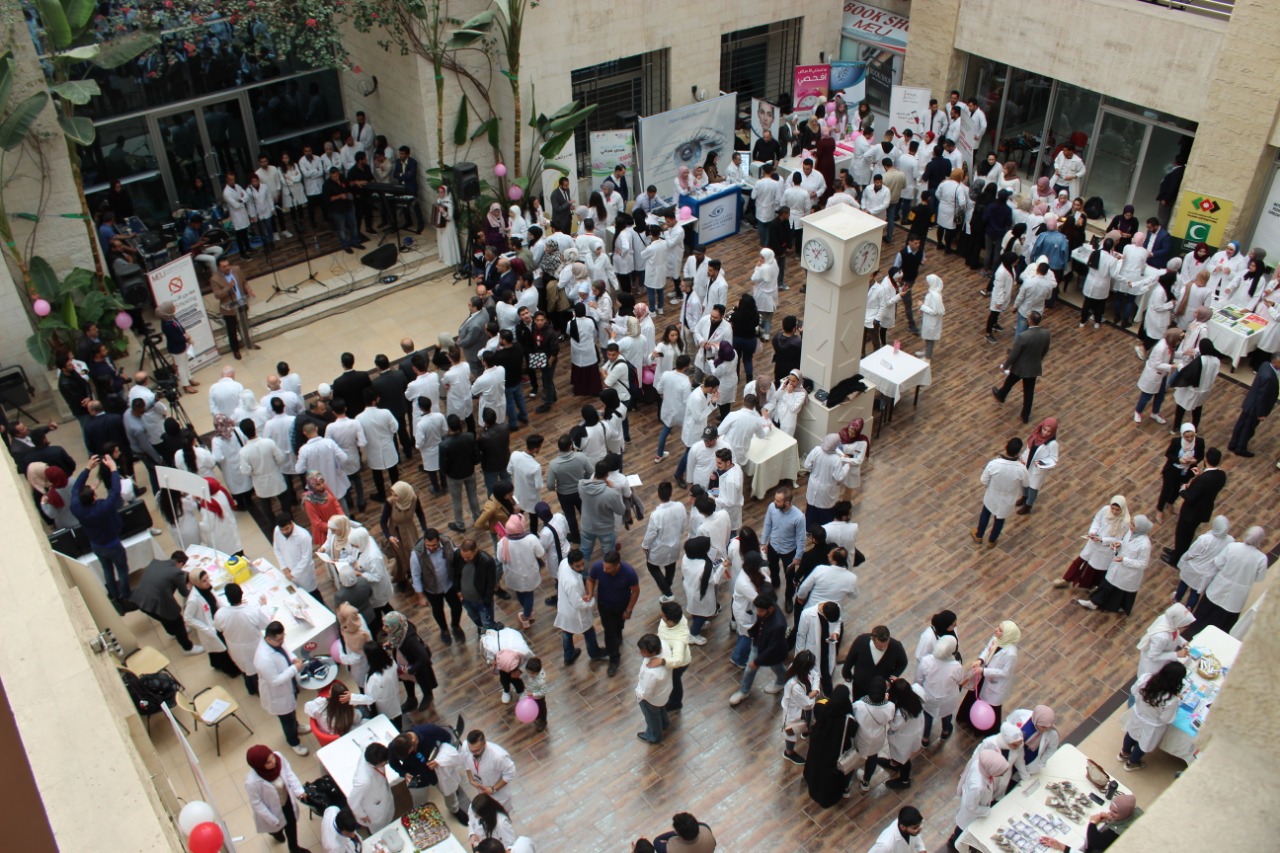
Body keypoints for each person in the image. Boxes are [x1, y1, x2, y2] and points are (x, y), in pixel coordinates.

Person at [69, 455, 132, 607]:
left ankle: (115, 596)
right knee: (122, 569)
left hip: (96, 544)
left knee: (107, 570)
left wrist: (88, 468)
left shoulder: (76, 507)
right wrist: (113, 469)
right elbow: (115, 492)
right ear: (94, 497)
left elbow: (75, 488)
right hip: (112, 544)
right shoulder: (103, 508)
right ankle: (126, 595)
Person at [1185, 526, 1269, 637]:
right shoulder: (1261, 559)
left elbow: (1219, 562)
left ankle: (1190, 637)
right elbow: (1259, 578)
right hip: (1236, 598)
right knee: (1220, 628)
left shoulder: (1232, 547)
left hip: (1218, 588)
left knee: (1201, 619)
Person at [1079, 514, 1154, 615]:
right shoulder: (1130, 533)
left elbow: (1143, 564)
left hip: (1128, 573)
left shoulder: (1145, 545)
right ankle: (1095, 602)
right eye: (1131, 523)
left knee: (1117, 589)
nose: (1130, 526)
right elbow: (1125, 543)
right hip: (1118, 567)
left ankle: (1100, 603)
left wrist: (1124, 560)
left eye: (1133, 525)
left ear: (1140, 528)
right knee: (1108, 584)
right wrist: (1119, 544)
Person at [254, 621, 311, 755]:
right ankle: (293, 742)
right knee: (287, 720)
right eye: (279, 640)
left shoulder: (276, 642)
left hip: (289, 685)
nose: (282, 641)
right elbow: (275, 681)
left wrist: (293, 659)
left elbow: (285, 650)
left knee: (292, 713)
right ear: (269, 639)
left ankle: (297, 726)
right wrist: (294, 668)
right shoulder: (263, 658)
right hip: (278, 694)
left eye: (283, 638)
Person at [1055, 495, 1132, 592]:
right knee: (1079, 561)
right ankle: (1066, 580)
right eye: (1112, 508)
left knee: (1096, 569)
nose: (1114, 511)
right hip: (1093, 544)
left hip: (1106, 549)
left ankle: (1090, 586)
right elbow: (1096, 521)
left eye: (1117, 510)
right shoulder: (1105, 510)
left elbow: (1118, 539)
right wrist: (1092, 532)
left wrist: (1102, 540)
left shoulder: (1125, 522)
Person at [1121, 660, 1187, 771]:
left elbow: (1134, 690)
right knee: (1143, 744)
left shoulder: (1146, 678)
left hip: (1138, 714)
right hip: (1152, 725)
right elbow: (1166, 719)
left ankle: (1124, 753)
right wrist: (1177, 701)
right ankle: (1132, 763)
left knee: (1131, 733)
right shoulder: (1171, 699)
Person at [958, 620, 1021, 735]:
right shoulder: (997, 639)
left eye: (1000, 630)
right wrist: (980, 660)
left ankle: (983, 729)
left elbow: (1005, 673)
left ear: (1007, 635)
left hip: (993, 681)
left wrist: (984, 671)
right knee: (974, 696)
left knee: (989, 705)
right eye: (998, 627)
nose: (996, 630)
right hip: (984, 675)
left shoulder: (1011, 654)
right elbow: (988, 649)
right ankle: (967, 718)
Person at [129, 554, 200, 655]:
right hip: (156, 601)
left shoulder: (156, 563)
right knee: (177, 621)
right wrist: (188, 586)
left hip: (140, 599)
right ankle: (188, 648)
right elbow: (184, 593)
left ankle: (172, 633)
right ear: (180, 564)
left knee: (163, 617)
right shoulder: (176, 572)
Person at [244, 745, 310, 853]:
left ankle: (294, 848)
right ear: (259, 766)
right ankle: (276, 833)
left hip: (286, 802)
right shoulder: (252, 782)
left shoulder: (278, 757)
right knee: (276, 827)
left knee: (291, 825)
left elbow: (289, 773)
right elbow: (257, 804)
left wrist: (299, 790)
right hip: (271, 811)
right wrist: (272, 820)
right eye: (268, 762)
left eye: (272, 757)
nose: (274, 762)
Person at [1167, 447, 1227, 565]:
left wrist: (1182, 489)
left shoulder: (1203, 479)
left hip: (1191, 513)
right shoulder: (1221, 475)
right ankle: (1177, 552)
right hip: (1203, 510)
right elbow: (1205, 488)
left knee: (1182, 535)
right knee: (1188, 535)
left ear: (1206, 460)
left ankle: (1176, 560)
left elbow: (1190, 497)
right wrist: (1198, 477)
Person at [586, 549, 640, 677]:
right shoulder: (598, 567)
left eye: (608, 568)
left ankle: (618, 636)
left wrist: (629, 609)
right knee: (609, 633)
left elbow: (636, 591)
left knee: (619, 626)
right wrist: (590, 593)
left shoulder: (629, 572)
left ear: (617, 565)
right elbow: (590, 580)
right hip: (605, 606)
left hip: (622, 606)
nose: (605, 570)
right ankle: (614, 658)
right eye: (604, 567)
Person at [992, 310, 1050, 423]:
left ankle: (1001, 395)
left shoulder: (1023, 336)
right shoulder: (1045, 334)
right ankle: (1025, 415)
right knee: (1029, 392)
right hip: (1033, 368)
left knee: (1010, 381)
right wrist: (1038, 360)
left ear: (1030, 321)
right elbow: (1045, 350)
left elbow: (1014, 354)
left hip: (1020, 367)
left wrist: (1005, 366)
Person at [729, 593, 788, 705]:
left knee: (777, 667)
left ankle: (782, 681)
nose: (758, 613)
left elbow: (772, 648)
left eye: (761, 611)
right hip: (759, 643)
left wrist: (757, 661)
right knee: (749, 670)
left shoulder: (778, 625)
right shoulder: (769, 606)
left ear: (770, 609)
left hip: (774, 652)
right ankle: (744, 691)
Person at [803, 683, 855, 808]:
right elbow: (852, 733)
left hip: (817, 749)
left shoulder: (821, 708)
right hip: (833, 754)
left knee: (816, 771)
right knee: (828, 778)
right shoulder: (848, 721)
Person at [948, 751, 1012, 851]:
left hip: (976, 805)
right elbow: (971, 806)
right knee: (962, 830)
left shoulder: (982, 768)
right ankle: (954, 843)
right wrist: (986, 811)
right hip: (970, 814)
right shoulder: (977, 787)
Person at [972, 437, 1028, 548]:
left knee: (985, 514)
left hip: (992, 495)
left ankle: (979, 535)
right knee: (1000, 519)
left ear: (1006, 447)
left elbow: (983, 480)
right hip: (1008, 499)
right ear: (1018, 452)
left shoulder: (994, 464)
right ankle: (992, 541)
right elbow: (1026, 484)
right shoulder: (1021, 469)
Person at [1038, 794, 1139, 852]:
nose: (1110, 812)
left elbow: (1095, 842)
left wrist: (1092, 822)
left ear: (1125, 813)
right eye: (1110, 809)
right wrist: (1112, 818)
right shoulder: (1135, 813)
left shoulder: (1117, 833)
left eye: (1115, 812)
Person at [642, 481, 688, 601]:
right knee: (671, 565)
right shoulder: (680, 507)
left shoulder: (656, 515)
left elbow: (651, 534)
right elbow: (683, 525)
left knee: (652, 566)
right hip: (675, 544)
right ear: (671, 493)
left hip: (659, 548)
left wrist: (645, 545)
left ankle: (667, 592)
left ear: (658, 494)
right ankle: (667, 585)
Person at [850, 676, 897, 793]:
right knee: (872, 758)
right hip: (877, 739)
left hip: (861, 737)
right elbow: (890, 718)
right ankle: (866, 782)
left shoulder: (859, 705)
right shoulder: (890, 706)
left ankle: (847, 785)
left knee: (852, 758)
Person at [1227, 354, 1280, 456]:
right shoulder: (1269, 377)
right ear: (1276, 362)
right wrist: (1260, 414)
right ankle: (1240, 448)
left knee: (1241, 424)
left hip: (1250, 402)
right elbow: (1262, 397)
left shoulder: (1265, 365)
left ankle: (1233, 443)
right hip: (1255, 408)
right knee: (1248, 429)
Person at [916, 634, 964, 745]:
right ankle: (945, 732)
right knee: (947, 714)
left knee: (927, 715)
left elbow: (919, 679)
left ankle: (925, 739)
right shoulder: (956, 666)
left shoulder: (926, 661)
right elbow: (960, 681)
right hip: (948, 698)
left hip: (929, 696)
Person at [780, 649, 819, 765]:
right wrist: (814, 693)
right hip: (794, 712)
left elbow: (816, 675)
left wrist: (815, 690)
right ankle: (789, 752)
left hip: (802, 707)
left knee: (808, 720)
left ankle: (806, 731)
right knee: (790, 732)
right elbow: (807, 704)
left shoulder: (800, 668)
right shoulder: (794, 686)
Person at [464, 730, 517, 811]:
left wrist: (493, 789)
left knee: (501, 815)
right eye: (471, 751)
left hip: (499, 796)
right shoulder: (466, 747)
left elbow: (510, 773)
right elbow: (465, 759)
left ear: (484, 744)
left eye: (477, 750)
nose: (473, 753)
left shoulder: (498, 756)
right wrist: (471, 779)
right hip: (482, 791)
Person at [653, 812, 717, 853]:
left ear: (678, 833)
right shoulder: (705, 828)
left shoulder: (668, 850)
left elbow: (657, 840)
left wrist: (675, 833)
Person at [916, 274, 946, 361]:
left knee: (930, 339)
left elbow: (934, 311)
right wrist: (922, 309)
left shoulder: (935, 296)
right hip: (927, 319)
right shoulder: (933, 292)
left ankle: (927, 358)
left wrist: (922, 306)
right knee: (927, 337)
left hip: (931, 322)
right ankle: (926, 352)